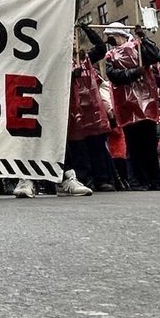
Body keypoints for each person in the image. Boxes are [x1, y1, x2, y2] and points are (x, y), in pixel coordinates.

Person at [0, 0, 83, 198]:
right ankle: (25, 178)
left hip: (48, 57)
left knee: (53, 116)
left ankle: (66, 176)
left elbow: (71, 13)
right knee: (22, 117)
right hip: (16, 56)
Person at [105, 23, 160, 190]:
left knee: (150, 145)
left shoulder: (138, 46)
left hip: (146, 103)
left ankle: (155, 180)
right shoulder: (110, 55)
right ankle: (140, 180)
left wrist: (144, 37)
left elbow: (154, 56)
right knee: (134, 146)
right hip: (127, 106)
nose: (111, 39)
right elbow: (113, 75)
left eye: (113, 35)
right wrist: (133, 73)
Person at [66, 23, 111, 193]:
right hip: (74, 113)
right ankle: (83, 179)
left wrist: (87, 29)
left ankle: (102, 179)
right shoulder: (63, 61)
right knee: (79, 150)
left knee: (97, 148)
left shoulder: (86, 59)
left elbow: (101, 48)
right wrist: (71, 75)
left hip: (92, 111)